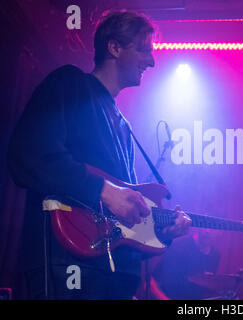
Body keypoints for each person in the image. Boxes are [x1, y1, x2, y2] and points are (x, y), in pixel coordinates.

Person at [7, 10, 191, 300]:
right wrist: (103, 190)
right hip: (68, 261)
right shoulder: (70, 83)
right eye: (143, 49)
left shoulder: (123, 125)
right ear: (114, 47)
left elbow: (121, 225)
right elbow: (28, 153)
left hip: (113, 276)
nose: (151, 61)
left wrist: (163, 233)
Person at [150, 229, 221, 300]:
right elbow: (150, 282)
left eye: (213, 228)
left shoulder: (215, 255)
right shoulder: (179, 247)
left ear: (219, 232)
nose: (208, 231)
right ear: (200, 227)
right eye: (206, 227)